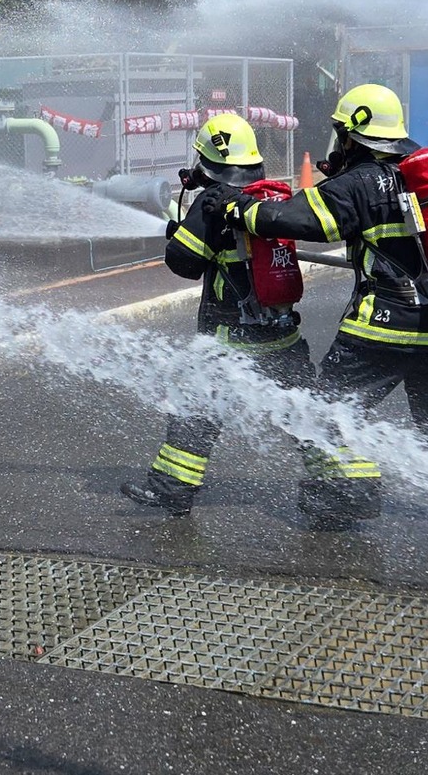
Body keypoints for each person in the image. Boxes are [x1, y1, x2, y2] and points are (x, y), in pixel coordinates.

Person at [235, 85, 428, 530]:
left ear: (353, 132)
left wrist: (239, 209)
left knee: (330, 408)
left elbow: (296, 219)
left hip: (380, 328)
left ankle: (349, 494)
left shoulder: (360, 183)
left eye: (342, 132)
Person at [121, 114, 311, 516]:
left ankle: (171, 489)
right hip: (282, 333)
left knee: (194, 408)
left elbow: (184, 262)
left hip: (230, 336)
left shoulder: (213, 203)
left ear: (205, 158)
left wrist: (181, 233)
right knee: (306, 413)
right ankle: (343, 490)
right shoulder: (270, 196)